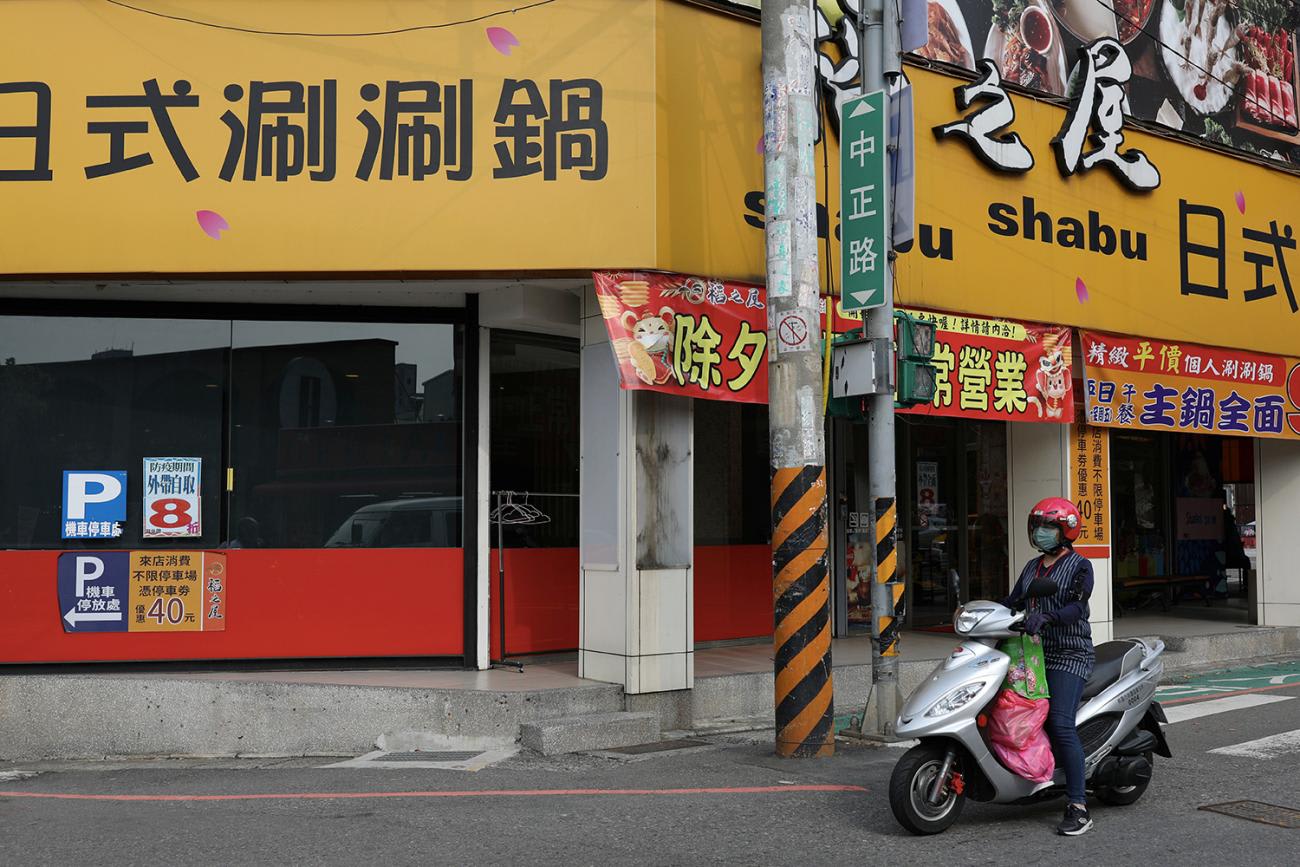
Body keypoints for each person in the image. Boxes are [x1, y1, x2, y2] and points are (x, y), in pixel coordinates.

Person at [1001, 496, 1096, 837]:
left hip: (1069, 654)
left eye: (1049, 527)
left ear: (1066, 531)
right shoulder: (1031, 567)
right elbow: (1012, 602)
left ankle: (1078, 805)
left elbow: (1077, 608)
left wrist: (1048, 617)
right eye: (1038, 526)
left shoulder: (1080, 566)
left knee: (1059, 724)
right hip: (1031, 653)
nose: (1041, 533)